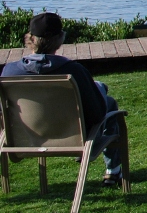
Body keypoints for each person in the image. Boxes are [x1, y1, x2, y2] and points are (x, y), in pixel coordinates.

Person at [1, 12, 124, 185]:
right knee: (108, 102)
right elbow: (97, 113)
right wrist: (100, 89)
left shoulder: (9, 72)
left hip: (30, 135)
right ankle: (113, 171)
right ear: (60, 39)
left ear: (30, 38)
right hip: (72, 136)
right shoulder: (73, 71)